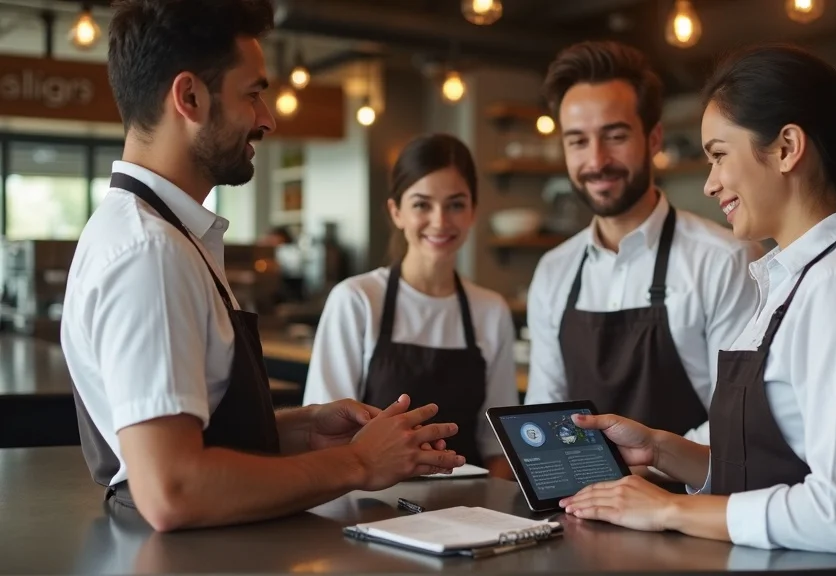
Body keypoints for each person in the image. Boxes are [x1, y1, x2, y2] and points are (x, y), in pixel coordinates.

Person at [61, 0, 463, 533]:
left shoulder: (157, 234)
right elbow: (172, 488)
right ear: (189, 97)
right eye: (253, 94)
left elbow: (187, 435)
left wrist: (303, 428)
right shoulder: (150, 251)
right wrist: (360, 463)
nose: (267, 118)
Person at [557, 44, 836, 557]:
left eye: (719, 155)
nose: (711, 183)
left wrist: (668, 510)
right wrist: (663, 450)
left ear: (786, 148)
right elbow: (770, 467)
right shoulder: (793, 279)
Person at [524, 40, 762, 449]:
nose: (596, 161)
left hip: (688, 504)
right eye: (577, 141)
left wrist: (648, 471)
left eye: (614, 136)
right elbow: (544, 412)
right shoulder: (553, 270)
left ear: (653, 138)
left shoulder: (725, 261)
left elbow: (739, 418)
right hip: (578, 501)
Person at [302, 134, 518, 480]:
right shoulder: (357, 299)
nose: (440, 221)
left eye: (456, 204)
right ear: (396, 212)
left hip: (469, 507)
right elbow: (325, 440)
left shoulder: (491, 310)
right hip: (371, 502)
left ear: (473, 212)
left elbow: (498, 447)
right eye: (422, 204)